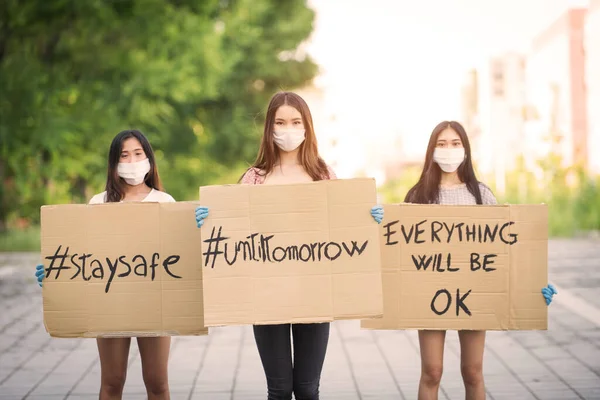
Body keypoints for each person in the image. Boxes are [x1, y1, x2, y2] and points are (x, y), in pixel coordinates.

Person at [194, 91, 384, 400]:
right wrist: (209, 221)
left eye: (296, 122)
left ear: (307, 128)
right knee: (280, 390)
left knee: (308, 390)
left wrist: (367, 218)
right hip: (267, 297)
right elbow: (234, 233)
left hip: (315, 293)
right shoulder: (255, 179)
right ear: (269, 129)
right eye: (280, 122)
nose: (288, 129)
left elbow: (344, 228)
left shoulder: (322, 176)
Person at [404, 121, 557, 400]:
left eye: (455, 143)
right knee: (432, 371)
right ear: (431, 150)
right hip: (432, 294)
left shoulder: (481, 194)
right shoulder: (418, 196)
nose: (448, 150)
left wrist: (536, 287)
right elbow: (401, 250)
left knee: (473, 371)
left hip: (473, 292)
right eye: (441, 144)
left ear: (465, 149)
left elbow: (506, 249)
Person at [35, 129, 175, 400]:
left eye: (138, 154)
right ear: (114, 163)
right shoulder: (98, 203)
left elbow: (178, 254)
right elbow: (82, 258)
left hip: (154, 303)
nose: (132, 161)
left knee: (157, 383)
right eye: (124, 155)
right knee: (112, 381)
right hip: (111, 302)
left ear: (149, 159)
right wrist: (55, 273)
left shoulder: (165, 202)